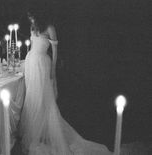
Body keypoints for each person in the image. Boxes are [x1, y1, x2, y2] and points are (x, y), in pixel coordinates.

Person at [19, 6, 112, 155]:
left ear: (38, 15)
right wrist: (26, 62)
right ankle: (37, 133)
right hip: (32, 62)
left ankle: (47, 134)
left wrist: (53, 73)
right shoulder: (33, 26)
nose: (30, 18)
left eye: (31, 16)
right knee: (32, 97)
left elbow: (55, 53)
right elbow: (32, 47)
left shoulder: (50, 28)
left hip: (43, 64)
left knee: (44, 99)